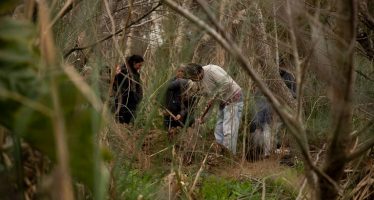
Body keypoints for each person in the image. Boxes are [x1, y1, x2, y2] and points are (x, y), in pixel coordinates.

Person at [184, 63, 243, 155]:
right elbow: (210, 102)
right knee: (218, 130)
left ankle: (230, 156)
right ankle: (220, 154)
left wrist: (214, 96)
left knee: (229, 130)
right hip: (222, 103)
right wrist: (204, 118)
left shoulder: (212, 70)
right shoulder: (198, 82)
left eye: (193, 78)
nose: (193, 80)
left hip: (233, 99)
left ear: (199, 72)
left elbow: (227, 83)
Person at [163, 67, 196, 139]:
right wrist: (164, 108)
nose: (180, 73)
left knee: (183, 128)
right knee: (167, 130)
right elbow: (162, 97)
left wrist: (181, 114)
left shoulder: (188, 85)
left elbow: (189, 106)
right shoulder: (170, 83)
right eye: (179, 71)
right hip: (170, 112)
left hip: (182, 114)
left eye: (182, 71)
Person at [112, 54, 144, 124]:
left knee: (128, 120)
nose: (140, 68)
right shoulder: (122, 71)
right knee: (120, 120)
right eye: (139, 65)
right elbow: (115, 84)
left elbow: (138, 86)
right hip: (122, 101)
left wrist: (138, 97)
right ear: (134, 63)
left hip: (132, 102)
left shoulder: (136, 74)